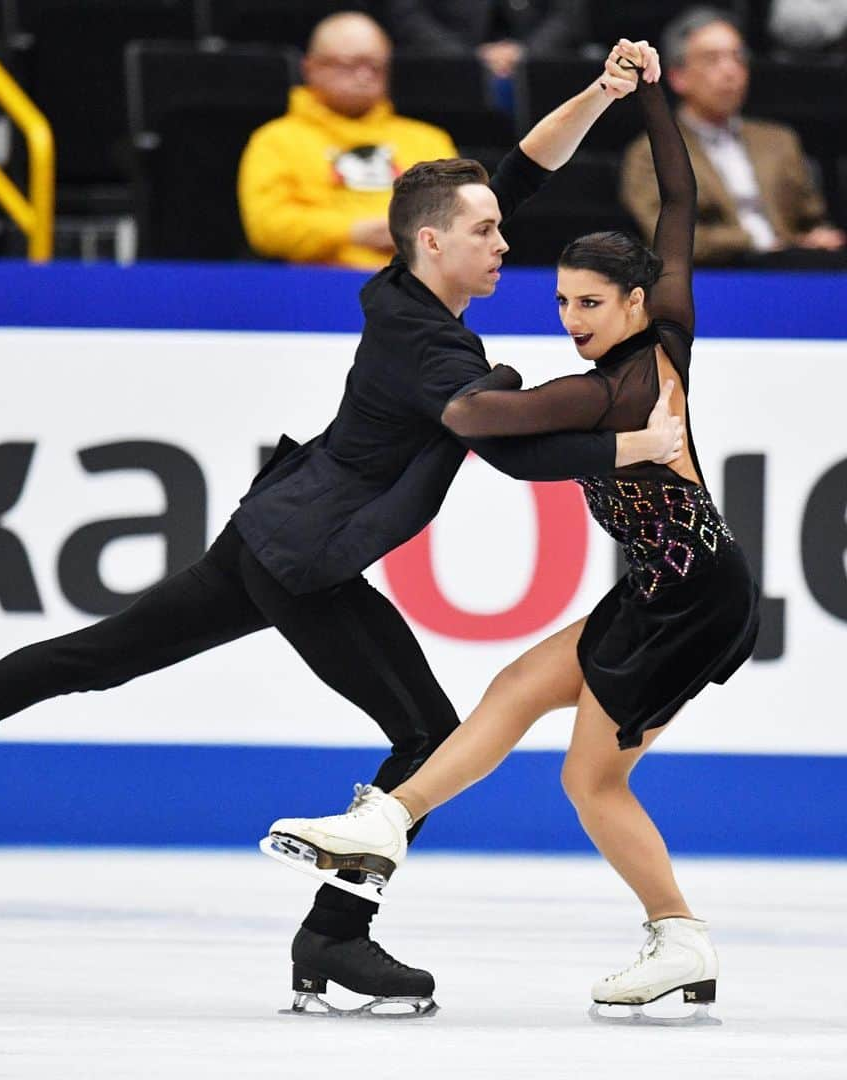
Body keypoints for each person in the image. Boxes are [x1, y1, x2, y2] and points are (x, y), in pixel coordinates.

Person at [0, 41, 680, 1020]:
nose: (506, 243)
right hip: (302, 560)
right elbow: (509, 451)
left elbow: (520, 166)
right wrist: (631, 445)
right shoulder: (426, 343)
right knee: (429, 739)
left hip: (279, 524)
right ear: (435, 242)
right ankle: (334, 940)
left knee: (99, 655)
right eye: (486, 233)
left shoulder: (405, 282)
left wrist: (601, 95)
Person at [266, 46, 760, 1022]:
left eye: (588, 303)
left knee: (590, 782)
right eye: (561, 302)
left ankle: (679, 936)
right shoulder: (661, 329)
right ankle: (386, 823)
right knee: (515, 688)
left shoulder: (617, 382)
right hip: (660, 591)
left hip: (697, 602)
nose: (572, 319)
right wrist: (652, 96)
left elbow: (505, 421)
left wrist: (503, 405)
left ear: (632, 300)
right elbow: (678, 198)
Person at [620, 7, 846, 267]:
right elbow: (668, 238)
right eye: (712, 59)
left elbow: (812, 219)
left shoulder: (779, 140)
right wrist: (760, 241)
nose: (730, 71)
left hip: (789, 273)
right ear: (677, 76)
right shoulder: (651, 151)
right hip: (712, 279)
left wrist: (817, 237)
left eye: (738, 58)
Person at [237, 12, 458, 270]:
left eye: (375, 66)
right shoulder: (276, 140)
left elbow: (458, 222)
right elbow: (267, 227)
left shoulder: (428, 141)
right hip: (314, 286)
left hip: (416, 288)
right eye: (349, 65)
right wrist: (354, 231)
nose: (364, 76)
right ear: (310, 68)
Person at [381, 0, 588, 78]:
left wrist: (526, 52)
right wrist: (468, 57)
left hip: (539, 66)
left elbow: (568, 14)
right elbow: (408, 15)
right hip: (449, 66)